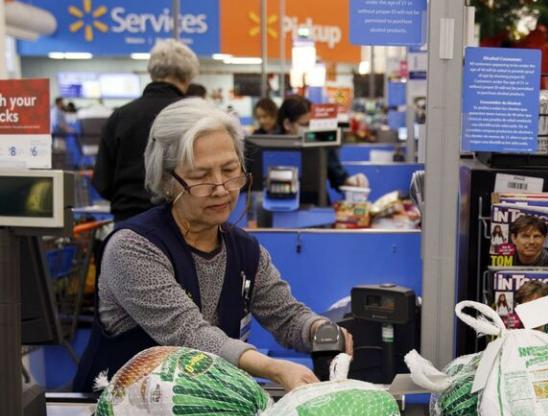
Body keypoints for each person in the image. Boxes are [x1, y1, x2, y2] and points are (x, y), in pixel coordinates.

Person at [73, 99, 353, 393]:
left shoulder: (245, 251)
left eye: (230, 170)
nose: (221, 189)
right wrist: (274, 369)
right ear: (167, 181)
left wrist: (318, 330)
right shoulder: (132, 249)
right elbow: (191, 334)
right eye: (200, 177)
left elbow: (286, 316)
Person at [94, 39, 199, 220]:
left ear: (152, 73)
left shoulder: (119, 116)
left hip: (127, 221)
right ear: (186, 78)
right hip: (179, 223)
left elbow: (101, 181)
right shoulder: (196, 117)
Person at [276, 95, 368, 190]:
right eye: (305, 124)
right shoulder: (270, 147)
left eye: (312, 124)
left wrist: (353, 180)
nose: (310, 130)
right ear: (287, 124)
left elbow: (338, 175)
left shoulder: (319, 143)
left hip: (317, 202)